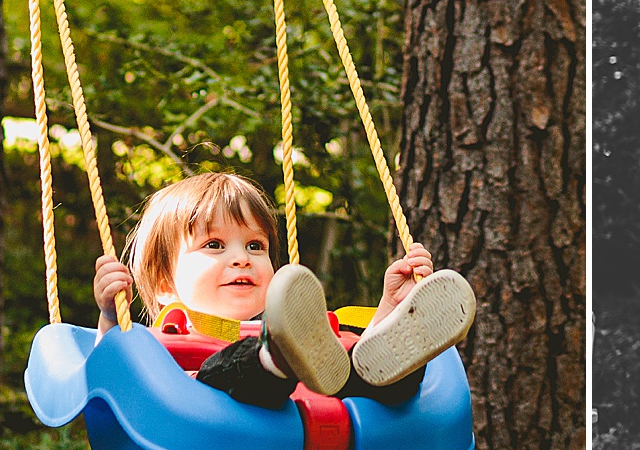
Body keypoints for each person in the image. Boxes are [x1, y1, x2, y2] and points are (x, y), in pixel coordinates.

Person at [91, 172, 476, 410]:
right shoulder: (162, 337)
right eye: (214, 245)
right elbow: (108, 380)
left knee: (364, 369)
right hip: (213, 422)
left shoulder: (305, 332)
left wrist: (391, 307)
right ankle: (276, 358)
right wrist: (110, 317)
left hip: (318, 409)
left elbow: (346, 372)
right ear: (164, 284)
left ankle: (398, 354)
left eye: (255, 246)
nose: (242, 259)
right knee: (229, 366)